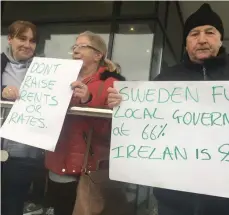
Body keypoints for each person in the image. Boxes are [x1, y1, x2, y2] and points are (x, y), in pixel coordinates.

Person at [107, 3, 229, 215]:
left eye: (210, 33)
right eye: (194, 34)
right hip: (174, 197)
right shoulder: (165, 80)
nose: (202, 39)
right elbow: (142, 123)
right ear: (185, 43)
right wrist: (122, 104)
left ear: (220, 39)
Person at [45, 31, 126, 215]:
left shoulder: (111, 84)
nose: (75, 50)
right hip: (57, 162)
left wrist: (87, 100)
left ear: (98, 55)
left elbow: (109, 131)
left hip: (86, 170)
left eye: (82, 46)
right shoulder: (60, 78)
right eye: (74, 46)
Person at [1, 20, 46, 215]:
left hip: (25, 151)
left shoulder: (45, 69)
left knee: (14, 203)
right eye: (22, 38)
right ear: (10, 39)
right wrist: (2, 91)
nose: (28, 45)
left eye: (33, 41)